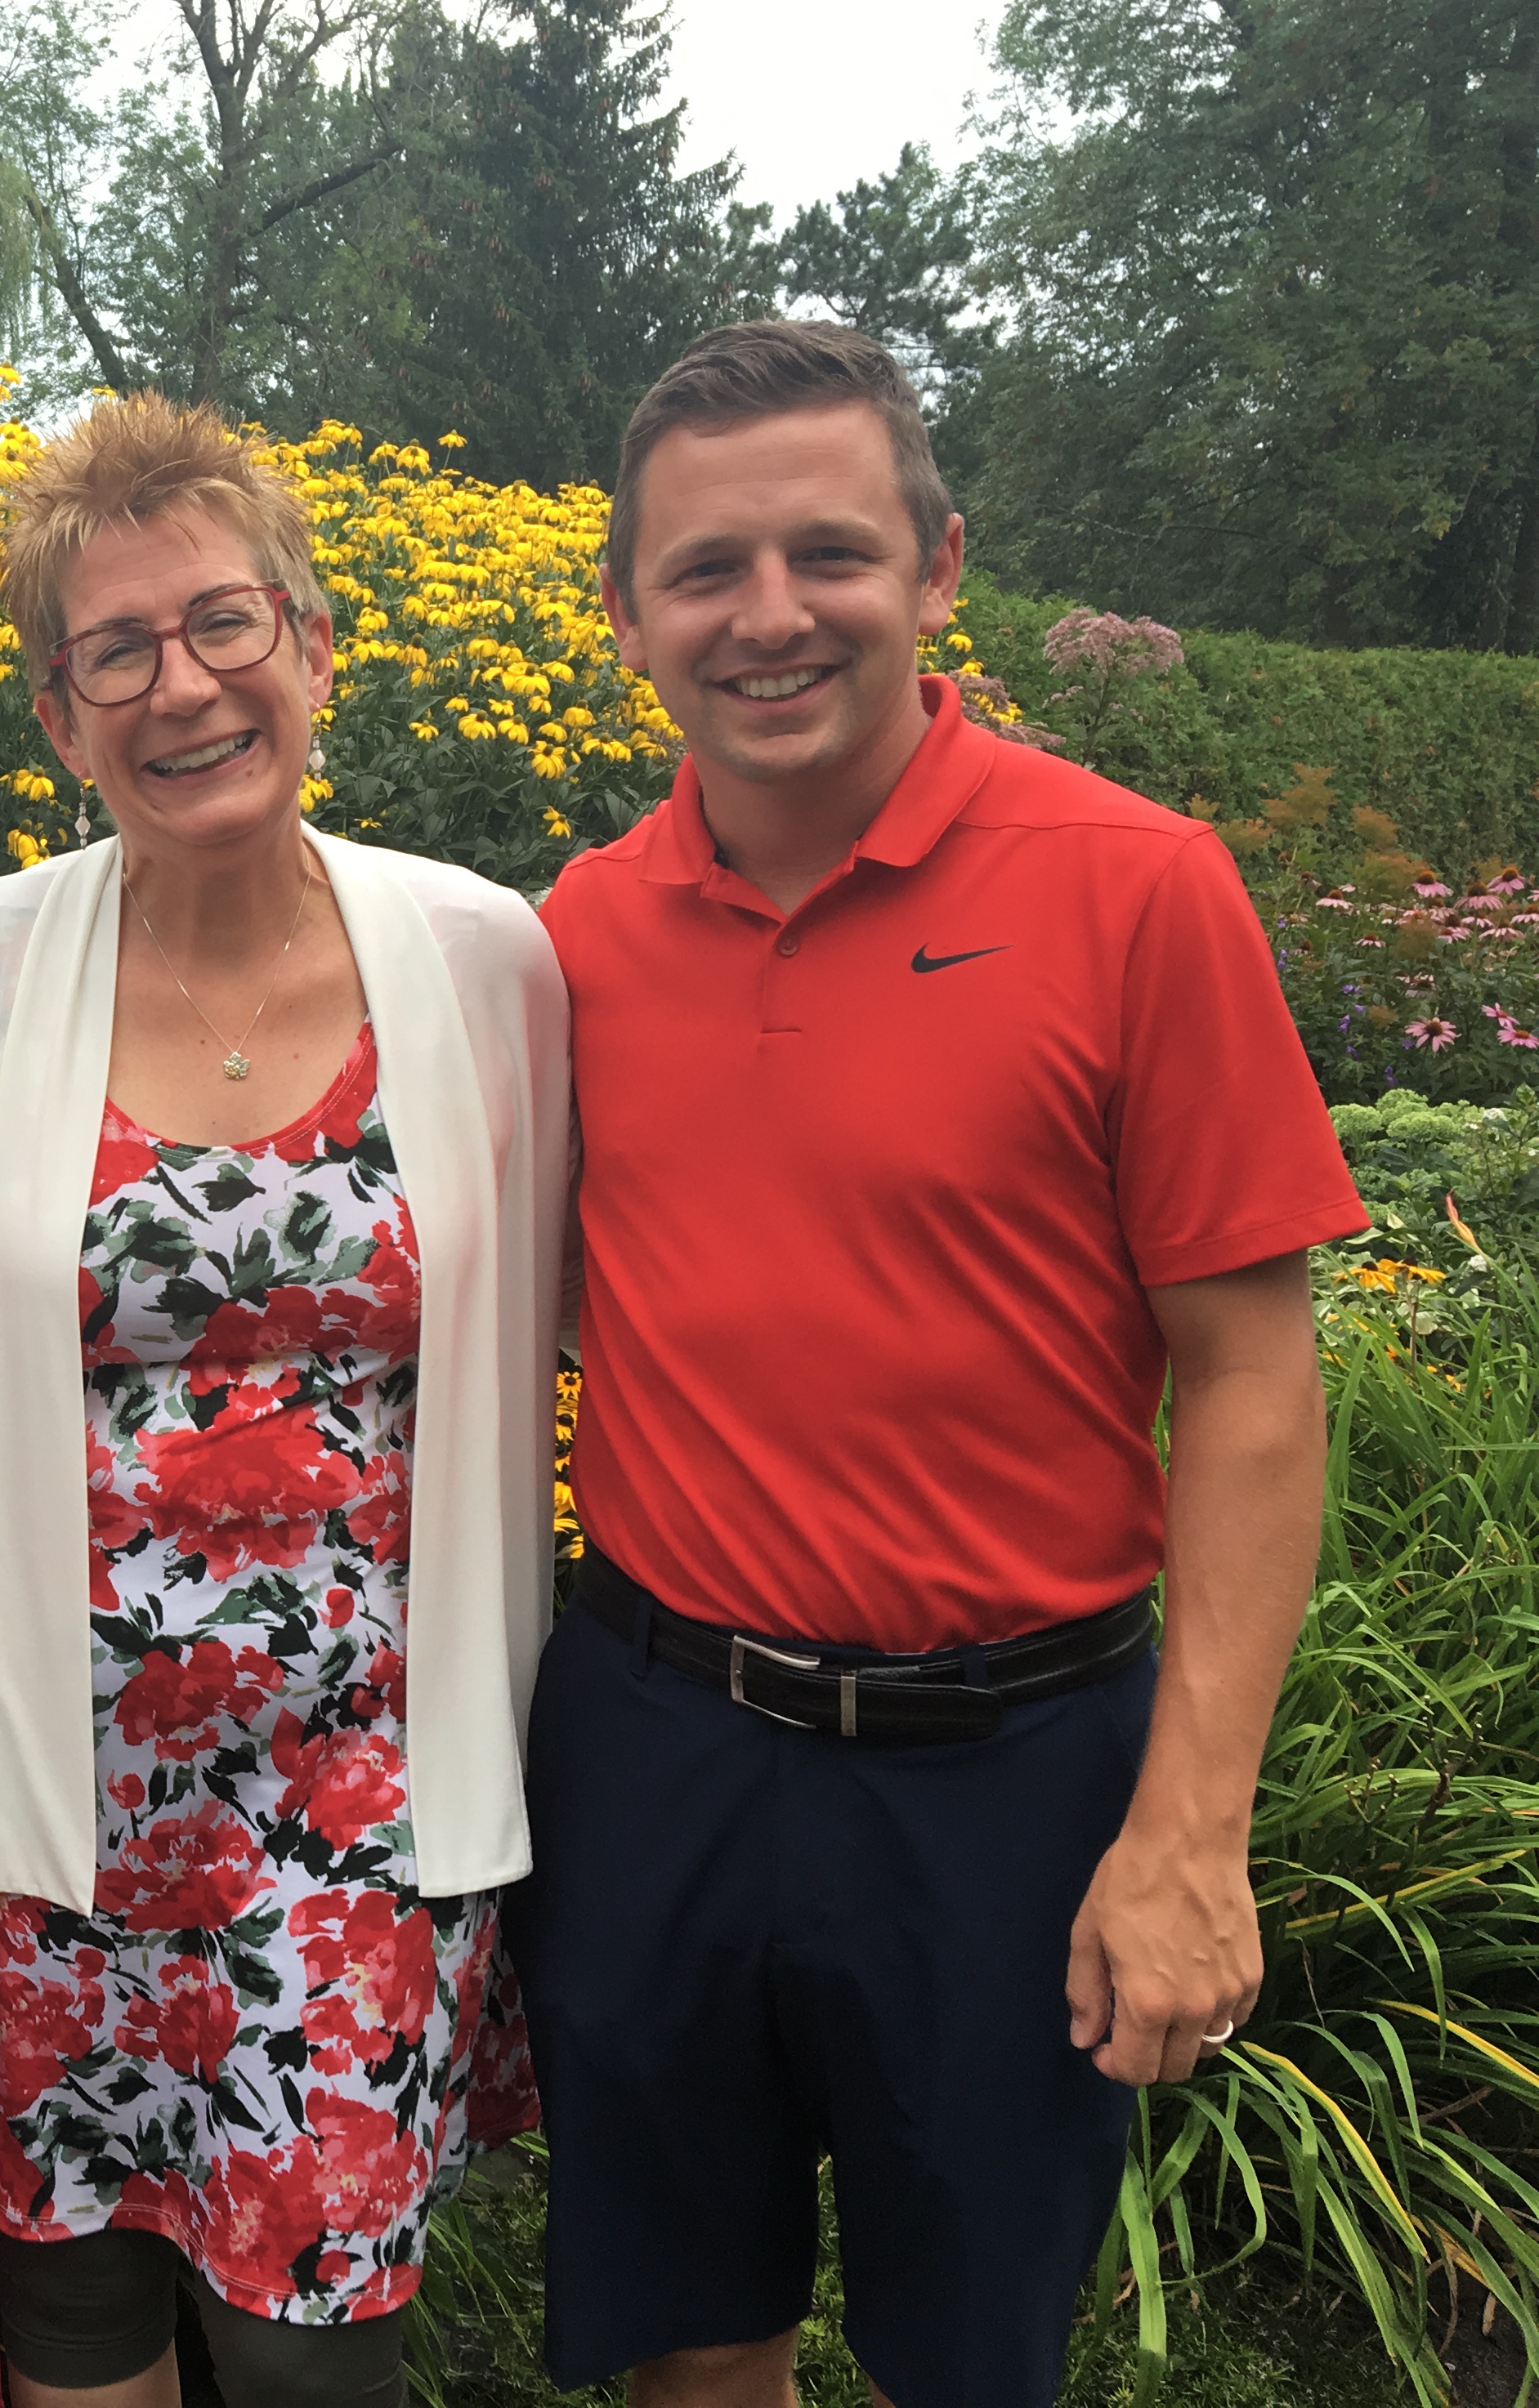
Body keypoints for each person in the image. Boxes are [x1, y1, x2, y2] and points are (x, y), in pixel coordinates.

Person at [512, 319, 1360, 2408]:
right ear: (630, 617)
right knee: (688, 2333)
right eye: (708, 569)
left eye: (832, 552)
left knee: (971, 2353)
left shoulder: (1136, 890)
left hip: (1014, 1773)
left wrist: (1191, 1836)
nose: (771, 614)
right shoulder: (571, 939)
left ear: (941, 565)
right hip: (655, 1740)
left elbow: (1251, 1383)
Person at [0, 393, 569, 2408]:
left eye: (227, 623)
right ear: (60, 717)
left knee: (313, 2355)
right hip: (47, 1806)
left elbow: (594, 1300)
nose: (184, 686)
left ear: (317, 647)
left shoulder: (482, 962)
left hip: (362, 1805)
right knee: (72, 2320)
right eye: (116, 651)